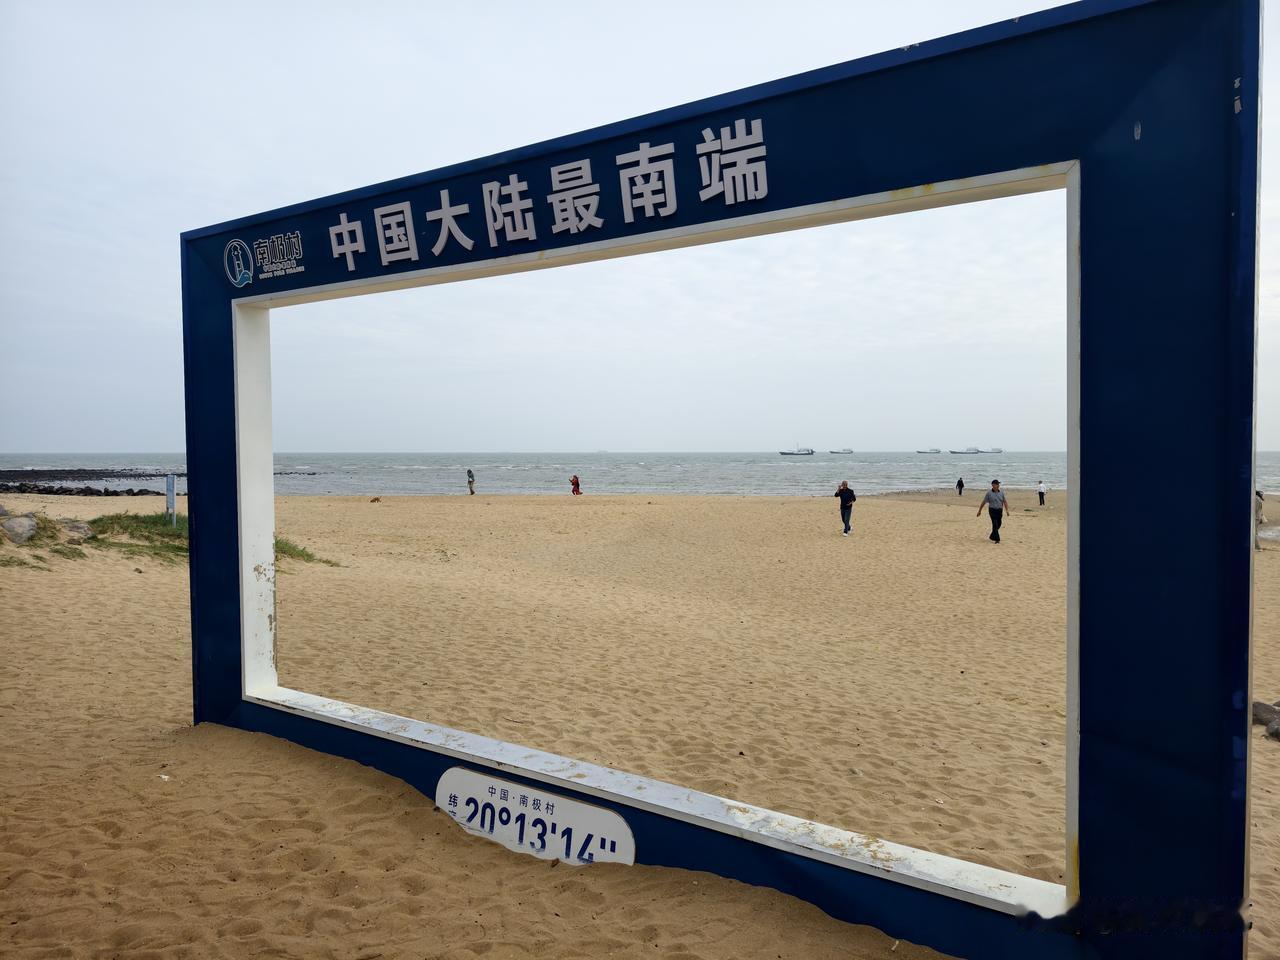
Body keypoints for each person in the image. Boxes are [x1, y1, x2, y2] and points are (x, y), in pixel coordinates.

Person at [977, 479, 1007, 543]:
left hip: (999, 511)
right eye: (997, 484)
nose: (998, 485)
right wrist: (979, 511)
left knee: (999, 524)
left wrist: (1007, 510)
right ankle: (997, 539)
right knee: (995, 524)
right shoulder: (989, 493)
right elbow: (984, 502)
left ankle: (992, 536)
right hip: (992, 510)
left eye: (998, 484)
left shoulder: (1001, 493)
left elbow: (1004, 502)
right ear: (993, 485)